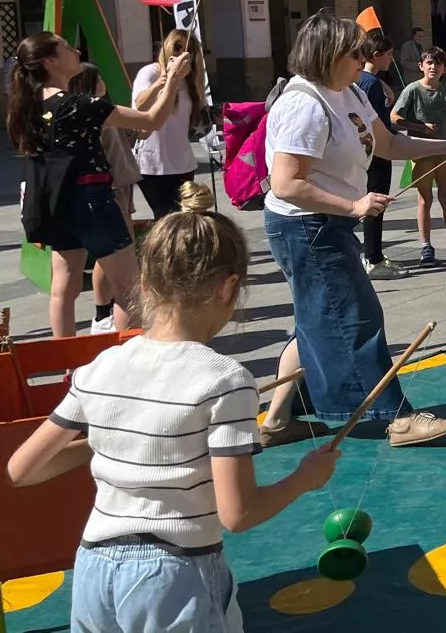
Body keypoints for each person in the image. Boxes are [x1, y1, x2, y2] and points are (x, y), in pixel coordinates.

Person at [5, 183, 340, 632]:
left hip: (93, 568)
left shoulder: (101, 365)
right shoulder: (224, 380)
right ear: (229, 287)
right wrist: (304, 478)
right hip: (175, 570)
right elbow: (238, 514)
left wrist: (111, 441)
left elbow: (22, 469)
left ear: (145, 284)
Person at [263, 9, 446, 447]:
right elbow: (287, 183)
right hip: (305, 227)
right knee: (357, 317)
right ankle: (398, 418)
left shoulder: (348, 91)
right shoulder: (303, 105)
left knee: (315, 322)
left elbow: (389, 143)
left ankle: (276, 420)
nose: (364, 56)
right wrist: (353, 204)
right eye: (355, 50)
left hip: (322, 223)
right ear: (327, 54)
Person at [9, 34, 191, 337]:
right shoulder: (81, 104)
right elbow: (150, 120)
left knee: (62, 287)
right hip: (92, 201)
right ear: (49, 61)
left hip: (55, 204)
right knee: (130, 290)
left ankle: (67, 364)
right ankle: (133, 362)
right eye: (67, 48)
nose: (76, 50)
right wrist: (171, 79)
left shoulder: (28, 107)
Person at [70, 64, 142, 334]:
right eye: (99, 77)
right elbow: (147, 119)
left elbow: (132, 130)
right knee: (111, 253)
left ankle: (112, 314)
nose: (104, 81)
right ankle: (104, 315)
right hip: (109, 186)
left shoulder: (103, 107)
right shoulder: (91, 111)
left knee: (123, 249)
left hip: (122, 181)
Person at [392, 47, 446, 267]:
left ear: (444, 68)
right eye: (429, 63)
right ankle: (426, 247)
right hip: (420, 153)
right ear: (421, 66)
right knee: (424, 199)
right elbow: (394, 117)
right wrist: (419, 126)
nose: (433, 67)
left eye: (437, 64)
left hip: (445, 152)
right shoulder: (412, 90)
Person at [131, 30, 206, 219]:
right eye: (177, 48)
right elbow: (139, 104)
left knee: (185, 215)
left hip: (182, 161)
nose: (182, 53)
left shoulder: (190, 80)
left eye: (188, 50)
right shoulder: (151, 72)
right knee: (165, 216)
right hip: (153, 162)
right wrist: (162, 82)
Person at [357, 30, 406, 279]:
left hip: (364, 153)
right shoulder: (372, 84)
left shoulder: (363, 80)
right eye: (388, 54)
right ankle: (373, 258)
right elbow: (377, 125)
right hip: (377, 154)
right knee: (376, 205)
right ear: (375, 56)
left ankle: (371, 254)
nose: (391, 59)